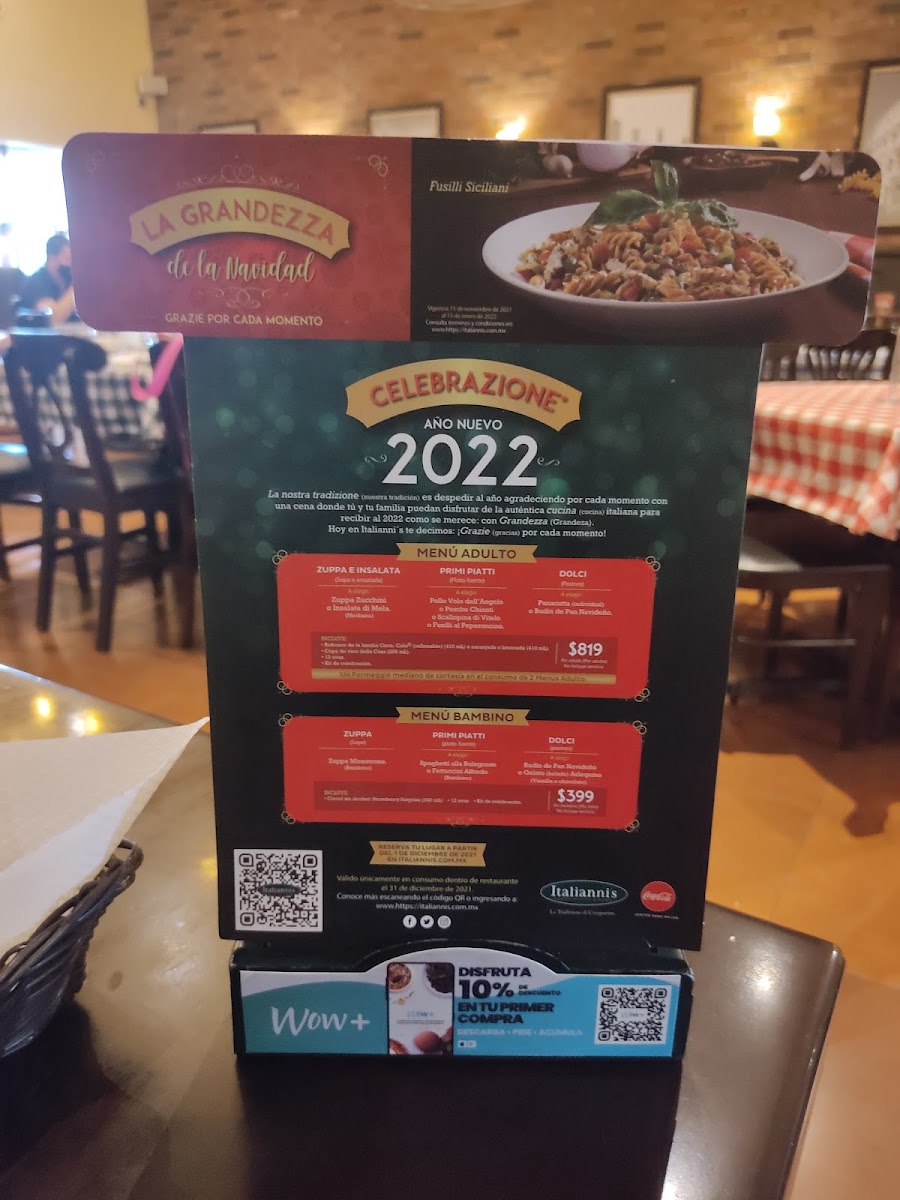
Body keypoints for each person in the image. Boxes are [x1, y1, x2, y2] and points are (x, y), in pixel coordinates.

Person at [19, 233, 77, 325]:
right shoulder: (37, 281)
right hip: (39, 332)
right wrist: (76, 286)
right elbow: (54, 318)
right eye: (67, 258)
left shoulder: (65, 279)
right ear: (52, 258)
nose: (71, 264)